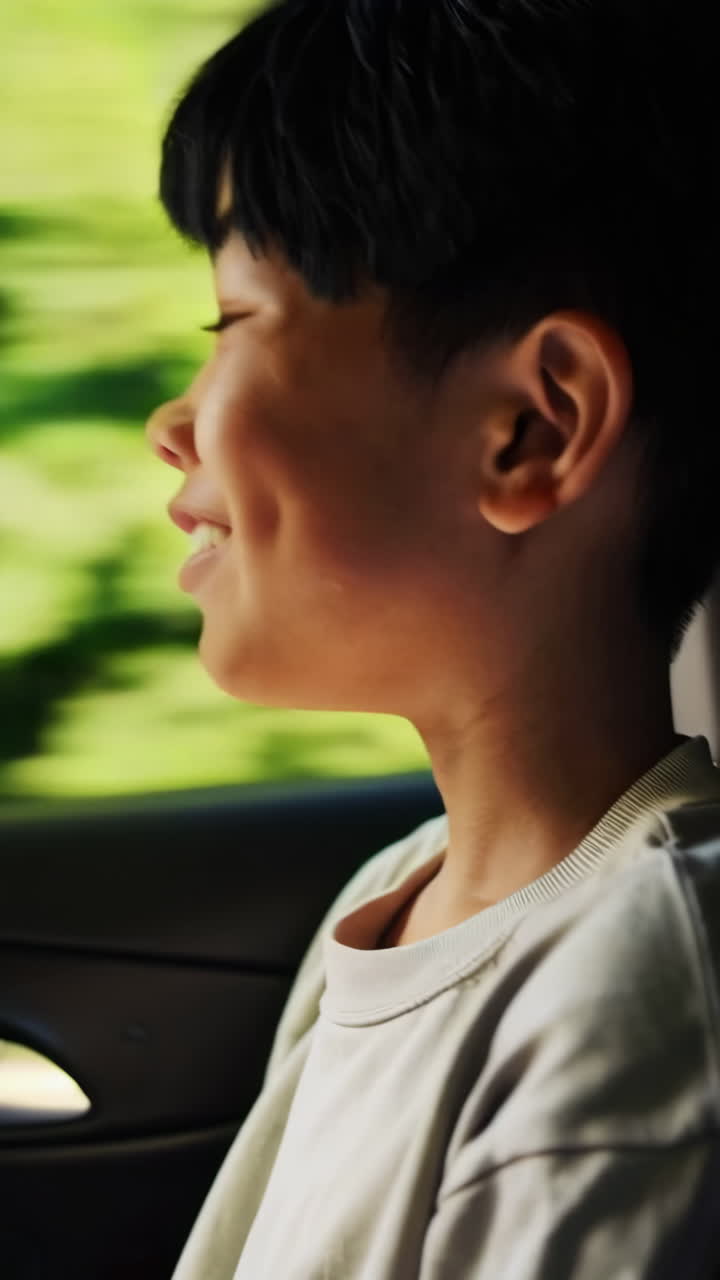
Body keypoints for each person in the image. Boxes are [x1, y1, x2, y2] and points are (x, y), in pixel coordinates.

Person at [145, 1, 720, 1275]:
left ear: (533, 429)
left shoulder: (639, 993)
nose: (171, 425)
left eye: (232, 326)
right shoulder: (398, 893)